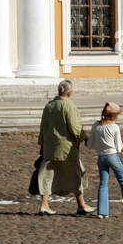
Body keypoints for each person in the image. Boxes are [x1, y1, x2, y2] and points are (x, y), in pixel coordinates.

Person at [36, 80, 94, 216]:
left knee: (46, 176)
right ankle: (81, 204)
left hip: (50, 147)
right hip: (67, 149)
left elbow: (43, 127)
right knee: (76, 175)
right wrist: (84, 138)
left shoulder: (49, 106)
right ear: (70, 92)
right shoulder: (69, 106)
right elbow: (75, 127)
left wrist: (42, 144)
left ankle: (44, 204)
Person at [86, 102, 123, 220]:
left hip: (101, 157)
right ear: (114, 115)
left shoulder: (96, 125)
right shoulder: (114, 127)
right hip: (112, 155)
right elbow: (119, 146)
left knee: (103, 183)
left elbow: (90, 144)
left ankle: (102, 211)